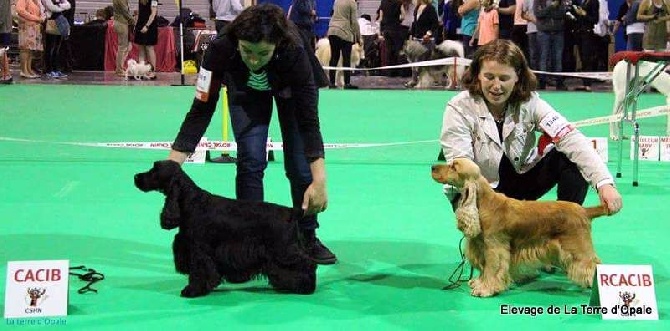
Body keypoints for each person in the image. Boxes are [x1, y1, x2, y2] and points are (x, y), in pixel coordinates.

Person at [167, 4, 336, 265]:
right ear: (237, 42)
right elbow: (201, 110)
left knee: (300, 168)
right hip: (245, 92)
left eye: (262, 53)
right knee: (250, 161)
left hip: (291, 90)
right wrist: (171, 166)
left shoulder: (294, 50)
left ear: (277, 44)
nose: (254, 60)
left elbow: (308, 123)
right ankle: (250, 241)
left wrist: (320, 180)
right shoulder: (220, 48)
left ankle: (306, 236)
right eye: (247, 51)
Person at [440, 39, 622, 217]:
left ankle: (562, 228)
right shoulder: (458, 108)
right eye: (489, 77)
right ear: (478, 74)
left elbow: (570, 137)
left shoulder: (531, 102)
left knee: (570, 159)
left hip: (521, 182)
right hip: (482, 193)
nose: (496, 86)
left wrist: (604, 183)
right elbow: (461, 168)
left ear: (517, 77)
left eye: (504, 78)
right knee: (494, 246)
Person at [326, 0, 360, 89]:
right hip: (344, 31)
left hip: (332, 30)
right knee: (346, 58)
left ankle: (331, 83)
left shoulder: (337, 1)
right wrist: (358, 36)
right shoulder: (352, 3)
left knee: (334, 57)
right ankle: (347, 83)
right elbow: (354, 22)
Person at [15, 0, 44, 79]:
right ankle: (24, 71)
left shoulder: (36, 1)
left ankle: (29, 69)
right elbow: (20, 10)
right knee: (25, 49)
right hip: (26, 27)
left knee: (30, 50)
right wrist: (35, 18)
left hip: (34, 27)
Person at [133, 0, 158, 79]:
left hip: (150, 25)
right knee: (141, 49)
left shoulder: (154, 0)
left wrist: (147, 26)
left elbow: (153, 13)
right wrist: (135, 24)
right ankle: (142, 71)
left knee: (149, 48)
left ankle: (153, 71)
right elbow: (139, 12)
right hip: (140, 24)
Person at [112, 0, 135, 77]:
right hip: (121, 23)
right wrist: (133, 20)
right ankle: (119, 70)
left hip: (119, 22)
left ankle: (120, 68)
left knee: (124, 47)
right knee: (122, 48)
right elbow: (125, 11)